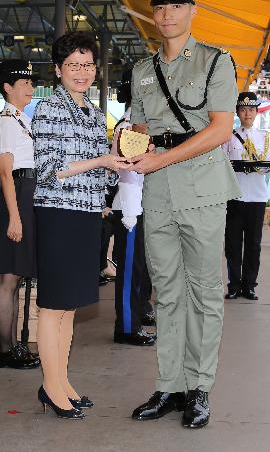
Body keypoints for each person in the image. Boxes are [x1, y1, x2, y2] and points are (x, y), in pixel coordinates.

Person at [127, 0, 241, 429]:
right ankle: (169, 385)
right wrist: (127, 145)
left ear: (193, 10)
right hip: (157, 193)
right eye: (159, 8)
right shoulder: (141, 71)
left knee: (206, 293)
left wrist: (161, 158)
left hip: (203, 190)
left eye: (176, 6)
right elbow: (138, 128)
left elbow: (219, 129)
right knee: (168, 293)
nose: (166, 14)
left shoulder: (216, 62)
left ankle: (200, 388)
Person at [32, 31, 128, 418]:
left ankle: (63, 381)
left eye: (88, 64)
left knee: (69, 307)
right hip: (58, 214)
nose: (82, 71)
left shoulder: (92, 111)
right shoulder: (47, 109)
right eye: (73, 64)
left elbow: (103, 178)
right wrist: (101, 161)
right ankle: (50, 386)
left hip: (87, 214)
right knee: (53, 306)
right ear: (58, 70)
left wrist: (118, 156)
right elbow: (47, 170)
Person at [0, 59, 40, 370]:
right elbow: (7, 173)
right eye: (25, 84)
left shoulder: (21, 119)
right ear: (8, 87)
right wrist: (16, 217)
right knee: (8, 278)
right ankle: (4, 350)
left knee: (15, 277)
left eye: (31, 83)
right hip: (16, 197)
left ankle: (11, 347)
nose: (30, 88)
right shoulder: (7, 122)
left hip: (25, 195)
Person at [111, 67, 156, 346]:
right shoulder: (127, 128)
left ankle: (138, 315)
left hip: (140, 205)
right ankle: (127, 327)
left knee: (140, 268)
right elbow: (132, 169)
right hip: (129, 206)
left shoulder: (140, 127)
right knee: (129, 272)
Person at [222, 93, 270, 301]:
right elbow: (223, 164)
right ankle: (234, 285)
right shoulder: (229, 136)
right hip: (235, 196)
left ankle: (250, 285)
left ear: (256, 112)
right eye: (243, 110)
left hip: (257, 197)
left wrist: (258, 168)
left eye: (251, 109)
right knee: (233, 244)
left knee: (254, 244)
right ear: (238, 112)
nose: (247, 113)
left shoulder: (265, 136)